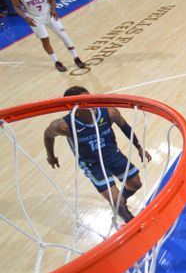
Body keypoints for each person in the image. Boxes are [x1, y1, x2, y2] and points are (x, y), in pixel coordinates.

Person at [44, 86, 152, 222]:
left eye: (90, 97)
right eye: (85, 101)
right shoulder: (64, 126)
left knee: (136, 184)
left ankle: (121, 201)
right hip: (92, 163)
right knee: (117, 202)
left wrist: (139, 147)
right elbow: (48, 135)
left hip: (113, 154)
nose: (90, 102)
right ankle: (129, 220)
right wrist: (51, 156)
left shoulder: (110, 113)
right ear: (73, 107)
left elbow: (125, 127)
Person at [10, 0, 86, 72]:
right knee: (45, 40)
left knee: (64, 36)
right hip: (35, 19)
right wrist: (25, 17)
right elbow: (17, 7)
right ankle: (56, 62)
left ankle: (76, 57)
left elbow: (51, 0)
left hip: (48, 15)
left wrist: (53, 9)